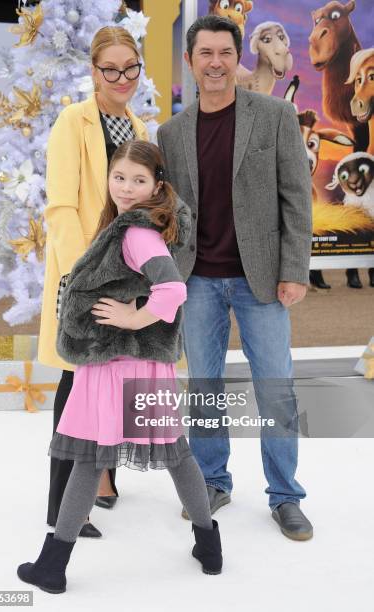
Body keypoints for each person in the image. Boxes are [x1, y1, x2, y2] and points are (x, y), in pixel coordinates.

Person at [17, 141, 223, 594]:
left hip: (117, 363)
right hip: (130, 364)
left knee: (95, 458)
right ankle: (209, 546)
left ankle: (53, 564)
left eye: (139, 180)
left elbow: (172, 290)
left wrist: (132, 317)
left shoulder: (137, 233)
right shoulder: (129, 227)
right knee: (170, 453)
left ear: (157, 185)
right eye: (119, 177)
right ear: (108, 178)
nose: (126, 188)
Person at [157, 15, 314, 541]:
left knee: (276, 390)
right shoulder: (170, 133)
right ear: (192, 60)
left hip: (262, 280)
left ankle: (286, 495)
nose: (217, 63)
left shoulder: (274, 116)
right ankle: (212, 481)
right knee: (204, 388)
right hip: (197, 281)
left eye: (225, 52)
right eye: (206, 54)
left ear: (235, 57)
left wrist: (294, 270)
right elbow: (171, 212)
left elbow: (296, 198)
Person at [38, 26, 150, 538]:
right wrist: (81, 274)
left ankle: (102, 478)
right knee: (76, 385)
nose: (122, 77)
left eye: (131, 67)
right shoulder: (72, 122)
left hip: (126, 278)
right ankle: (62, 506)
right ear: (94, 70)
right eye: (111, 68)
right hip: (82, 274)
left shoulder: (141, 129)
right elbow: (60, 205)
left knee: (114, 378)